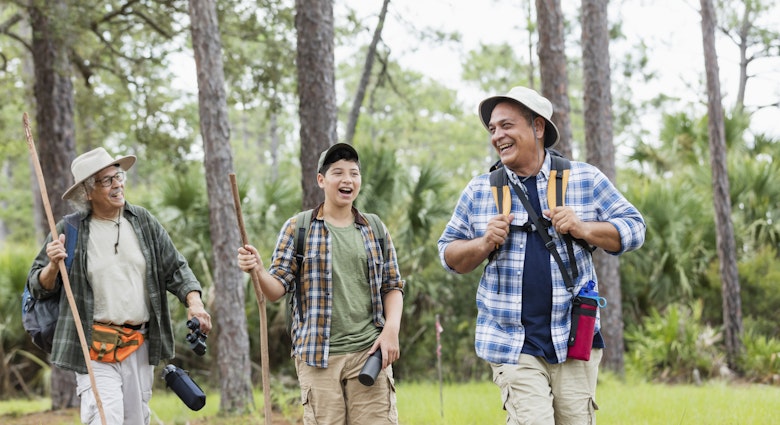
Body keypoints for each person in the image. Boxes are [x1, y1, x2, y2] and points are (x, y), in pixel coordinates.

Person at [437, 86, 646, 425]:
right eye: (492, 129)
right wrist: (483, 243)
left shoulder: (583, 178)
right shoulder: (480, 190)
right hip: (512, 344)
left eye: (507, 125)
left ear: (537, 127)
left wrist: (584, 228)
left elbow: (635, 228)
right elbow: (447, 254)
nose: (497, 136)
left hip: (575, 340)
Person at [26, 147, 212, 425]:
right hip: (93, 347)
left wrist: (195, 304)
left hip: (139, 344)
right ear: (87, 192)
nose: (117, 185)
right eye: (107, 180)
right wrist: (53, 266)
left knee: (136, 420)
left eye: (119, 176)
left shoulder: (143, 222)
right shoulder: (70, 230)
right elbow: (37, 285)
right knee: (106, 418)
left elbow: (176, 268)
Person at [237, 143, 404, 425]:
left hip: (369, 353)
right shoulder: (298, 228)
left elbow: (392, 286)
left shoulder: (374, 229)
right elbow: (276, 288)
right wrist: (257, 270)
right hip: (317, 358)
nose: (347, 180)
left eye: (354, 173)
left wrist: (391, 330)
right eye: (338, 172)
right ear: (321, 180)